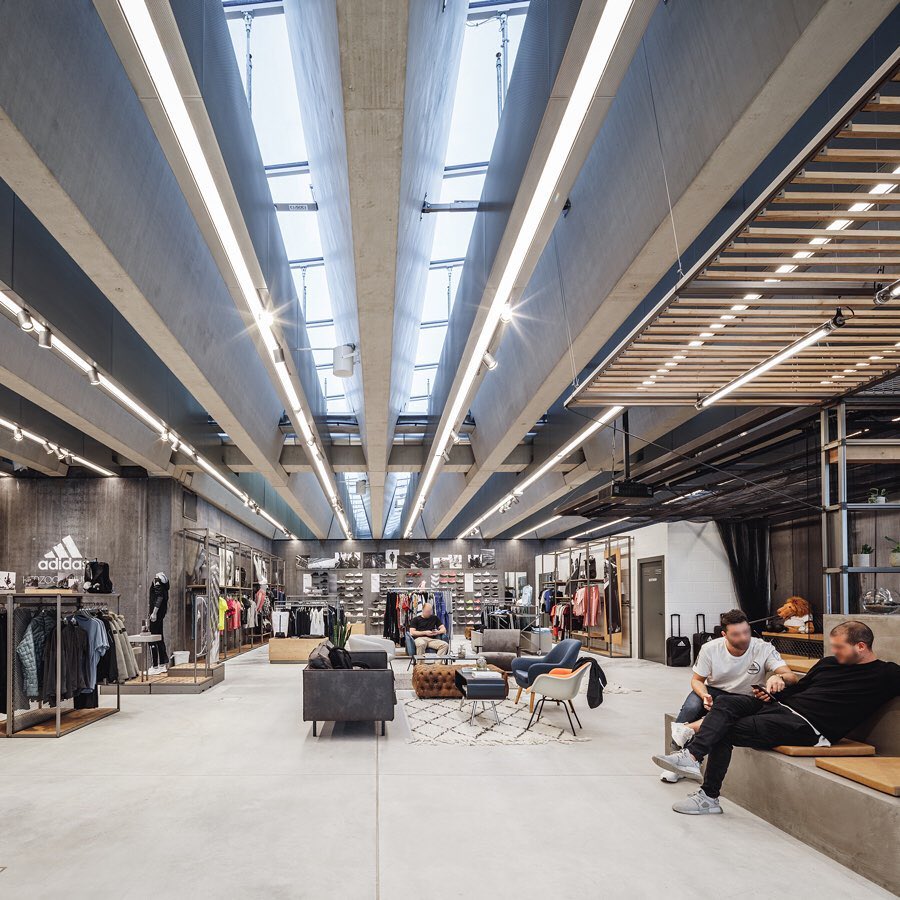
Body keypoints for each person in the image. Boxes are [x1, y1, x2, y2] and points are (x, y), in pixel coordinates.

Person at [652, 620, 900, 815]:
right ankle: (691, 757)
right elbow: (800, 689)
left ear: (861, 646)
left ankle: (707, 795)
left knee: (724, 730)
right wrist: (773, 692)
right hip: (780, 708)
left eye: (839, 647)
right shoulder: (829, 664)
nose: (834, 651)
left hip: (808, 727)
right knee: (726, 702)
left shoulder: (886, 674)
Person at [663, 609, 798, 782]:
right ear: (724, 635)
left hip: (746, 697)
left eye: (746, 632)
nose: (743, 638)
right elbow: (697, 680)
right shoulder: (710, 649)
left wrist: (779, 677)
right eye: (736, 634)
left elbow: (791, 676)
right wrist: (704, 695)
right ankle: (676, 763)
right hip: (714, 690)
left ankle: (691, 758)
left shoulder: (763, 648)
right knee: (691, 707)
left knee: (717, 720)